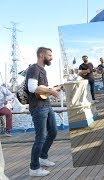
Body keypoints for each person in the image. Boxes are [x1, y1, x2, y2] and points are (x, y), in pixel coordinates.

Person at [26, 47, 60, 177]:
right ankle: (34, 168)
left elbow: (43, 89)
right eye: (49, 55)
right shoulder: (34, 69)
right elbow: (32, 88)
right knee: (40, 137)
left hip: (46, 105)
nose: (51, 57)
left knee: (53, 132)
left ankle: (43, 157)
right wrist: (51, 91)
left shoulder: (43, 70)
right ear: (41, 55)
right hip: (38, 107)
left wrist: (52, 89)